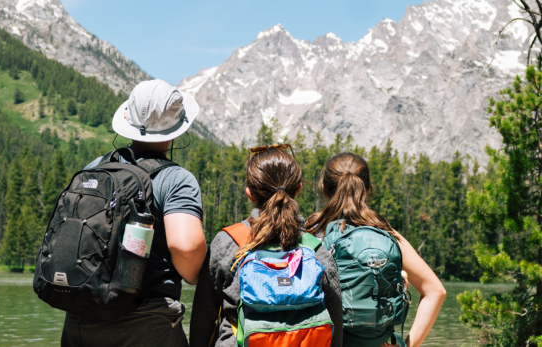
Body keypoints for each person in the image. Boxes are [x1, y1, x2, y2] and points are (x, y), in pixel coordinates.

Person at [61, 79, 207, 347]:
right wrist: (198, 275)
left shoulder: (94, 168)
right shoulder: (176, 179)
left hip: (81, 318)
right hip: (146, 324)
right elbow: (186, 247)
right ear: (175, 131)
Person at [189, 145, 344, 347]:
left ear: (249, 193)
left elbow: (203, 319)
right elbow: (335, 324)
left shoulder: (228, 242)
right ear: (298, 189)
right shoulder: (315, 249)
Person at [305, 152, 447, 347]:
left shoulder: (309, 236)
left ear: (324, 189)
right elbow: (436, 291)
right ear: (368, 189)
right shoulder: (386, 236)